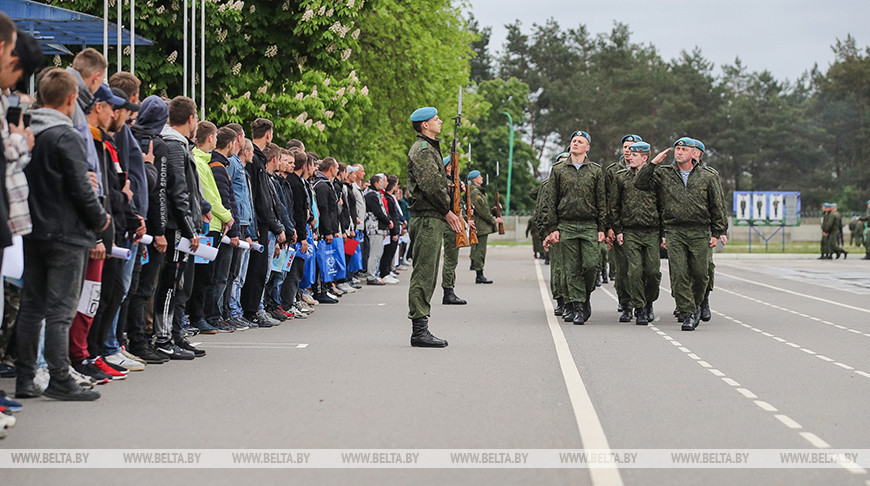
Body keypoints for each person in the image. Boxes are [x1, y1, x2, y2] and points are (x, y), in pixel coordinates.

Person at [16, 67, 110, 400]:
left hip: (33, 229)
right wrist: (100, 219)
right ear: (71, 99)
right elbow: (80, 187)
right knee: (61, 310)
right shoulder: (66, 135)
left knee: (32, 306)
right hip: (67, 232)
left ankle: (25, 377)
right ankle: (59, 377)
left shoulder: (27, 132)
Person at [635, 137, 728, 331]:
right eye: (677, 148)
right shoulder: (664, 173)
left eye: (684, 149)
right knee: (679, 274)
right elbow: (640, 183)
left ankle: (697, 303)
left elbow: (717, 204)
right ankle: (688, 313)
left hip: (700, 230)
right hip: (674, 230)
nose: (679, 152)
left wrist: (718, 231)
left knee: (701, 274)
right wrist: (653, 163)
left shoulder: (707, 175)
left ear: (694, 153)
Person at [153, 96, 208, 358]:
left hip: (181, 226)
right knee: (170, 284)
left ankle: (175, 334)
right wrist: (188, 228)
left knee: (179, 285)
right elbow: (177, 190)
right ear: (191, 119)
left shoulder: (181, 145)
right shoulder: (174, 145)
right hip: (176, 227)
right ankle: (163, 338)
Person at [405, 107, 463, 347]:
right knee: (424, 273)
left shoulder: (429, 148)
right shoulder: (424, 150)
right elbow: (431, 185)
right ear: (424, 125)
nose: (440, 121)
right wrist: (447, 210)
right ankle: (419, 330)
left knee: (428, 272)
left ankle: (421, 327)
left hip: (431, 216)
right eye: (435, 119)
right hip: (427, 217)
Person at [542, 131, 606, 325]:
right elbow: (551, 200)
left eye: (580, 141)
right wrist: (552, 227)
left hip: (589, 225)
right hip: (566, 224)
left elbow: (602, 200)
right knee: (571, 268)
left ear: (587, 147)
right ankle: (578, 306)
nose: (576, 143)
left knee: (591, 265)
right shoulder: (559, 169)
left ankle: (585, 295)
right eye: (574, 141)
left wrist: (602, 227)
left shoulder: (595, 170)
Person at [610, 142, 661, 326]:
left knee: (653, 272)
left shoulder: (656, 178)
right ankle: (639, 307)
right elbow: (614, 206)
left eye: (634, 154)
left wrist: (663, 232)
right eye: (629, 154)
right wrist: (618, 230)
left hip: (652, 231)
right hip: (630, 231)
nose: (629, 157)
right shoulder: (621, 177)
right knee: (634, 271)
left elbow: (662, 205)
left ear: (645, 158)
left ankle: (649, 301)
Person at [241, 119, 285, 326]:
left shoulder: (258, 158)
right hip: (258, 223)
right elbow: (257, 197)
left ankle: (254, 309)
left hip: (261, 222)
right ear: (268, 134)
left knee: (260, 271)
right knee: (257, 271)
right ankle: (252, 310)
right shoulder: (255, 160)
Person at [605, 135, 641, 311]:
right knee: (622, 268)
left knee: (642, 269)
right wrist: (609, 227)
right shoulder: (613, 171)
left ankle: (642, 302)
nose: (628, 150)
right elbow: (607, 201)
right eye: (626, 146)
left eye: (632, 147)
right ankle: (625, 301)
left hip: (643, 226)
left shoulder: (647, 171)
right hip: (620, 226)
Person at [467, 169, 503, 284]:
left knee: (480, 250)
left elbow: (484, 210)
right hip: (480, 226)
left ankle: (479, 272)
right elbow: (481, 211)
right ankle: (479, 274)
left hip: (481, 225)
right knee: (480, 250)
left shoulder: (479, 191)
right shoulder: (475, 193)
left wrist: (494, 210)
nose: (482, 178)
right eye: (479, 176)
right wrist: (493, 220)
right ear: (474, 179)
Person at [440, 156, 466, 305]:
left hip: (453, 221)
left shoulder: (452, 181)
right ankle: (448, 291)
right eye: (451, 165)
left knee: (452, 258)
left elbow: (458, 203)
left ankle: (449, 290)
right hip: (448, 222)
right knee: (450, 258)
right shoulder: (444, 182)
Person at [363, 174, 391, 286]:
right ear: (375, 183)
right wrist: (388, 221)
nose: (383, 184)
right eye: (381, 182)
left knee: (378, 253)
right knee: (375, 253)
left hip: (378, 228)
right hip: (374, 227)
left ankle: (374, 274)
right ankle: (371, 276)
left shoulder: (376, 194)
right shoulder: (371, 195)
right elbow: (378, 211)